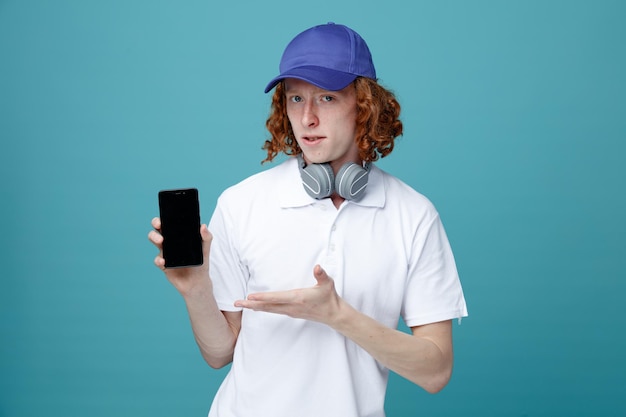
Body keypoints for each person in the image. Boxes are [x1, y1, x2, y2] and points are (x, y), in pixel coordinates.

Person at [149, 22, 467, 417]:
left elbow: (435, 371)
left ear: (365, 105)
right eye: (296, 98)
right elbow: (220, 354)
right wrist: (195, 289)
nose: (308, 117)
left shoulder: (413, 215)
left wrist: (337, 315)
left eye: (327, 98)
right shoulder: (242, 202)